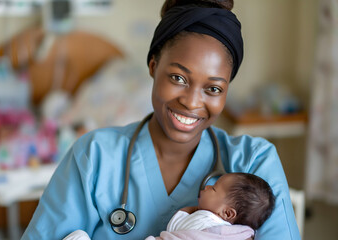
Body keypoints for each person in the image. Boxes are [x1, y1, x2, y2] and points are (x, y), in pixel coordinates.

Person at [21, 0, 300, 239]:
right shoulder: (94, 157)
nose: (191, 102)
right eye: (178, 78)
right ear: (154, 66)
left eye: (213, 88)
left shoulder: (253, 161)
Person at [63, 173, 275, 240]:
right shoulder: (239, 234)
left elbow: (175, 229)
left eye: (214, 188)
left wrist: (193, 208)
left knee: (78, 236)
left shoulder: (205, 219)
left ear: (227, 213)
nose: (208, 185)